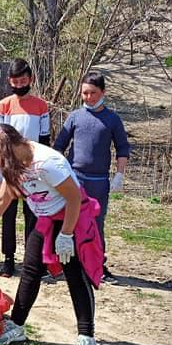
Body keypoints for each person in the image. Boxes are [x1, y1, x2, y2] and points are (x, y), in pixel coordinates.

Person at [0, 123, 104, 345]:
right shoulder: (13, 164)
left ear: (6, 151)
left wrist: (66, 235)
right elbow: (3, 198)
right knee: (30, 270)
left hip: (70, 217)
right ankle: (17, 325)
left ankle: (87, 339)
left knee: (75, 274)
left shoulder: (47, 162)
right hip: (44, 219)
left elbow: (74, 197)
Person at [53, 72, 131, 283]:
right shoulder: (75, 117)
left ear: (103, 92)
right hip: (74, 179)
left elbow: (122, 148)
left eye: (93, 93)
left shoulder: (112, 119)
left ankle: (97, 266)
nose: (88, 97)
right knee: (68, 220)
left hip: (98, 182)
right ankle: (66, 264)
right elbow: (59, 146)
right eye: (85, 93)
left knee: (96, 224)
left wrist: (119, 174)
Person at [0, 57, 52, 277]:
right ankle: (8, 258)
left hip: (34, 165)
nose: (19, 85)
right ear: (10, 81)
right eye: (15, 82)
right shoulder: (3, 105)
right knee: (8, 212)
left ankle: (31, 259)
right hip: (9, 165)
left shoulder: (41, 105)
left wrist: (44, 166)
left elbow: (45, 138)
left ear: (30, 79)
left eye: (23, 81)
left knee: (33, 213)